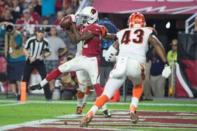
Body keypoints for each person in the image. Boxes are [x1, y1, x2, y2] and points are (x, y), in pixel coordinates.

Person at [80, 12, 170, 127]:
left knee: (106, 94)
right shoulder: (148, 31)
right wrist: (166, 64)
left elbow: (112, 39)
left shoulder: (122, 32)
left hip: (120, 63)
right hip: (136, 65)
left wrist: (104, 35)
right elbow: (157, 44)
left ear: (130, 22)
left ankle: (90, 113)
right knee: (138, 85)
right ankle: (132, 109)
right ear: (143, 23)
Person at [30, 6, 111, 117]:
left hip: (92, 60)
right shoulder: (83, 27)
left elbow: (79, 38)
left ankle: (105, 109)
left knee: (95, 85)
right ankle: (41, 84)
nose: (82, 19)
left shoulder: (95, 27)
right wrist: (67, 29)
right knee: (63, 70)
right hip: (81, 57)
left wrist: (72, 25)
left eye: (85, 17)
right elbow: (74, 40)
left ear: (92, 18)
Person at [23, 27, 52, 100]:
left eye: (42, 32)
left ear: (43, 33)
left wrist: (43, 56)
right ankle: (22, 95)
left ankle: (48, 97)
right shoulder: (31, 40)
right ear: (36, 33)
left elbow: (49, 52)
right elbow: (25, 49)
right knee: (25, 78)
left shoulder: (46, 42)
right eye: (39, 32)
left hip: (39, 61)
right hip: (30, 60)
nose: (40, 34)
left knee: (45, 78)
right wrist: (29, 57)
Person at [0, 22, 25, 100]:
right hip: (10, 59)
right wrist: (3, 25)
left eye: (11, 28)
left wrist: (12, 37)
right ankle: (15, 94)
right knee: (11, 78)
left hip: (19, 59)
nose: (9, 30)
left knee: (18, 78)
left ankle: (20, 94)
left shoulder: (18, 34)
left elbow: (16, 46)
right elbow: (1, 34)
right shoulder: (7, 33)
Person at [45, 26, 66, 92]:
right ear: (50, 32)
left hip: (55, 59)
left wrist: (60, 54)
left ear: (56, 31)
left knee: (53, 75)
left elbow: (65, 49)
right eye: (52, 30)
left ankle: (52, 88)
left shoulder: (59, 40)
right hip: (47, 59)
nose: (53, 31)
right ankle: (49, 89)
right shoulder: (46, 39)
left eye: (54, 30)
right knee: (47, 74)